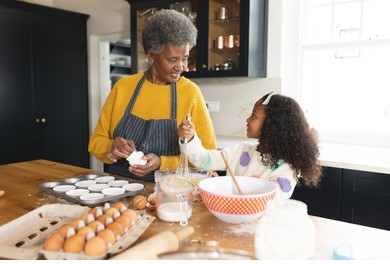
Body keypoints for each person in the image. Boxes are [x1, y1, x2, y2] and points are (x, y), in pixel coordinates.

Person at [89, 9, 217, 181]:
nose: (181, 67)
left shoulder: (190, 92)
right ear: (151, 55)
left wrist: (162, 163)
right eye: (172, 60)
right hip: (119, 188)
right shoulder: (123, 87)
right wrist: (111, 147)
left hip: (169, 192)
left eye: (185, 58)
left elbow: (209, 158)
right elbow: (95, 143)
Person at [178, 92, 323, 199]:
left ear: (271, 125)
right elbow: (204, 160)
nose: (247, 119)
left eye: (253, 115)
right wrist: (190, 138)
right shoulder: (242, 152)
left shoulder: (286, 170)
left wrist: (222, 185)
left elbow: (269, 201)